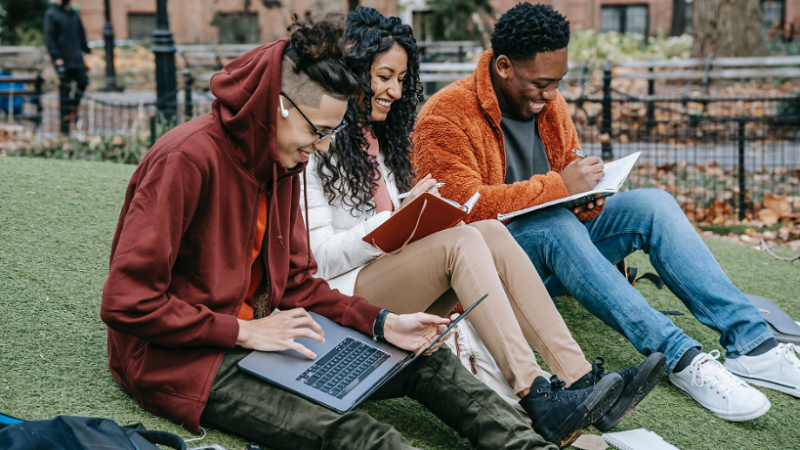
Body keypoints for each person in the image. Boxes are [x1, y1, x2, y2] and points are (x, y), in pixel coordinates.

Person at [100, 14, 561, 450]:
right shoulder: (184, 160)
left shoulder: (282, 161)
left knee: (426, 357)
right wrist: (243, 331)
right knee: (361, 436)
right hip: (185, 362)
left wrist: (384, 323)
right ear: (278, 108)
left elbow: (300, 283)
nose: (320, 147)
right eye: (317, 130)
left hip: (273, 336)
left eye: (331, 131)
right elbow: (126, 302)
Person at [412, 2, 800, 422]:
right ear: (504, 66)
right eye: (541, 83)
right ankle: (682, 358)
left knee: (653, 204)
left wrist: (586, 196)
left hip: (561, 245)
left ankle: (753, 345)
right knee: (552, 224)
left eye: (557, 83)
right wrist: (560, 188)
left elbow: (567, 168)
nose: (550, 95)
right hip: (496, 266)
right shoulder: (445, 115)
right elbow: (456, 213)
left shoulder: (549, 103)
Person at [301, 8, 664, 448]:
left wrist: (415, 214)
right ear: (353, 71)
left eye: (400, 79)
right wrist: (397, 219)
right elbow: (317, 259)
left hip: (388, 273)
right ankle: (535, 393)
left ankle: (577, 379)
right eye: (383, 77)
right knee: (462, 241)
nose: (394, 91)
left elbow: (396, 224)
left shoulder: (384, 140)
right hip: (342, 297)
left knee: (489, 232)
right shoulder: (312, 143)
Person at [43, 0, 90, 134]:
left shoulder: (73, 13)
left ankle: (71, 109)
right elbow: (49, 38)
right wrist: (56, 57)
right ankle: (64, 128)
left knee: (83, 81)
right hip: (62, 59)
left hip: (76, 58)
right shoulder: (51, 13)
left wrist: (87, 51)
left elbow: (81, 34)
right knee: (64, 91)